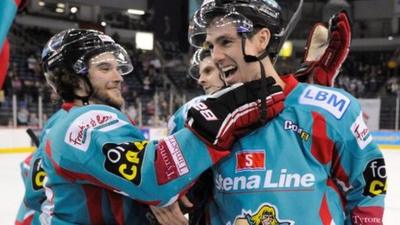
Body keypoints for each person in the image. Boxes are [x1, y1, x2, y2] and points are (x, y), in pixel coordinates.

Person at [38, 28, 285, 224]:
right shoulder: (83, 124)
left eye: (117, 67)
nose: (119, 77)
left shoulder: (61, 125)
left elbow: (32, 197)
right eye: (105, 68)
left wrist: (182, 188)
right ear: (75, 80)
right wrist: (223, 112)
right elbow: (153, 177)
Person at [186, 0, 386, 224]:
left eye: (226, 42)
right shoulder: (200, 119)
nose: (216, 56)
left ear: (262, 39)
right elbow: (162, 187)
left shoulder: (332, 110)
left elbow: (368, 188)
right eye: (211, 46)